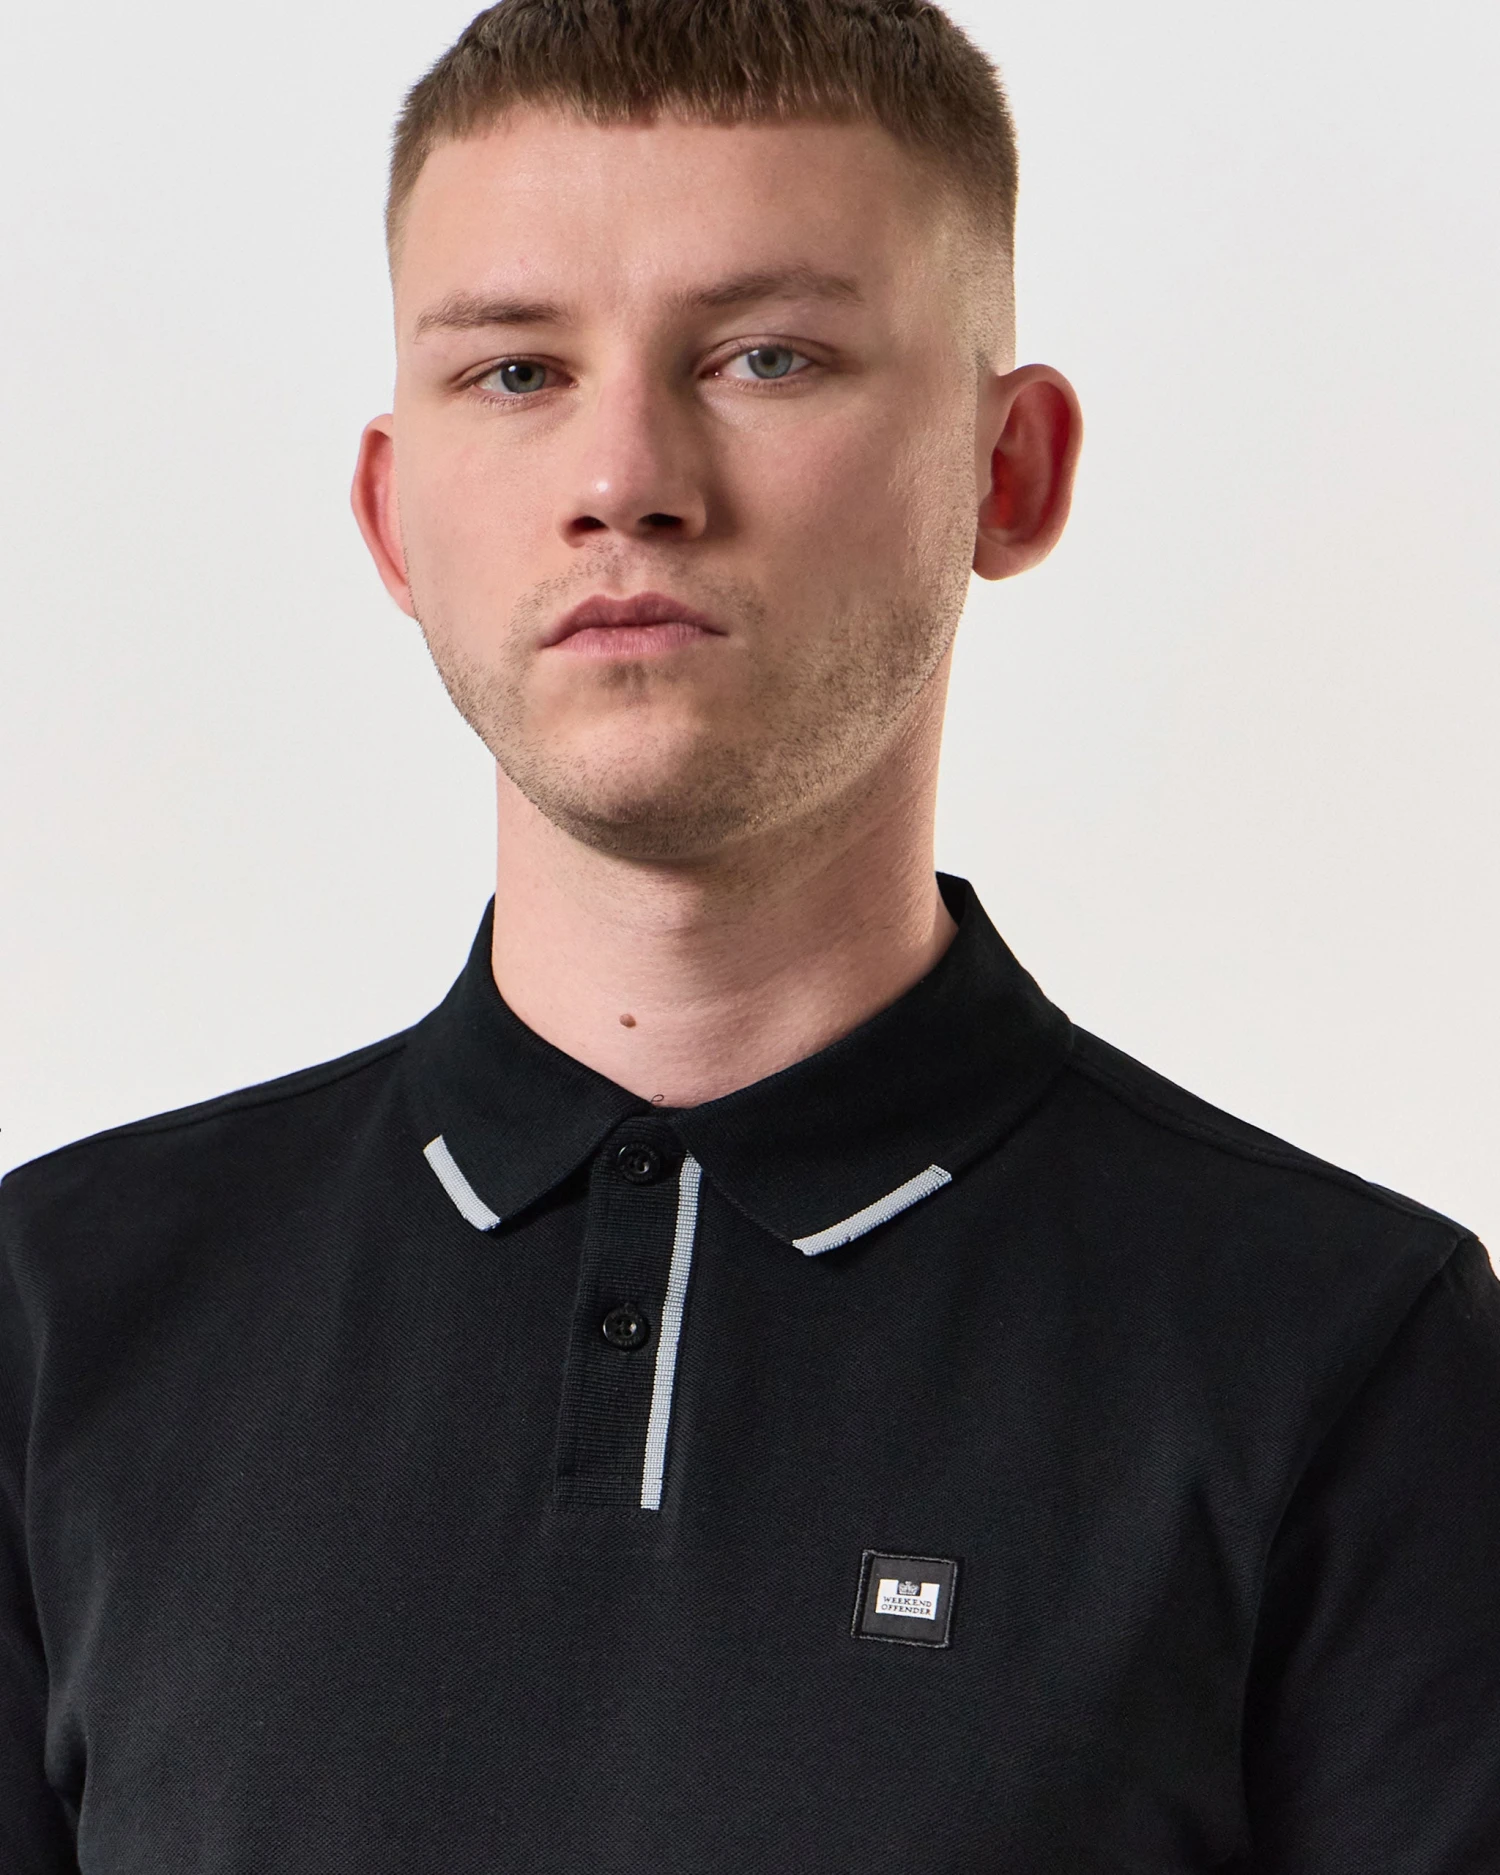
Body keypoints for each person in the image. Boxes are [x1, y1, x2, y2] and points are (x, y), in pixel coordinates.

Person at [2, 0, 1497, 1868]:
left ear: (1009, 471)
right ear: (392, 517)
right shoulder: (61, 1318)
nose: (625, 474)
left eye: (766, 356)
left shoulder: (1347, 1352)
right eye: (517, 371)